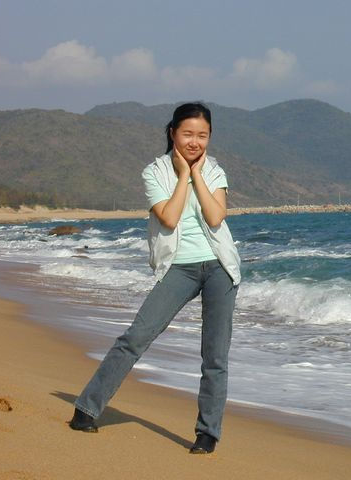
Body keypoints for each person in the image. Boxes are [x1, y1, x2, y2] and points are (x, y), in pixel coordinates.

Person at [69, 102, 242, 455]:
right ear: (173, 133)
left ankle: (207, 434)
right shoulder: (155, 172)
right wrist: (183, 175)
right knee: (135, 337)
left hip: (219, 268)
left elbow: (215, 217)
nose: (195, 142)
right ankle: (86, 409)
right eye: (188, 134)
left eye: (202, 135)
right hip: (178, 268)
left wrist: (197, 174)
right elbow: (169, 218)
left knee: (215, 357)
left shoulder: (215, 171)